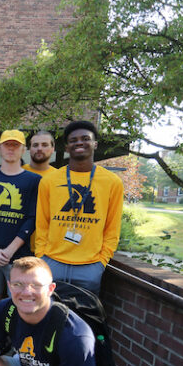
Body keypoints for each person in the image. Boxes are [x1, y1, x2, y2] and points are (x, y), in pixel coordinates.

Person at [35, 121, 123, 295]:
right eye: (73, 140)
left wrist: (101, 262)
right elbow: (42, 223)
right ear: (67, 147)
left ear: (95, 144)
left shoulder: (112, 182)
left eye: (85, 139)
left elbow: (112, 228)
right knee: (48, 317)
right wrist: (41, 257)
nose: (79, 143)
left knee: (84, 319)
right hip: (52, 262)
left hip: (89, 267)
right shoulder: (49, 181)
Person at [0, 130, 41, 336]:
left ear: (23, 149)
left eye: (15, 145)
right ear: (0, 149)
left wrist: (10, 250)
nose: (11, 149)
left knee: (21, 301)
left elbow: (32, 218)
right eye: (7, 145)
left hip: (19, 257)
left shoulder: (34, 181)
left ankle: (19, 345)